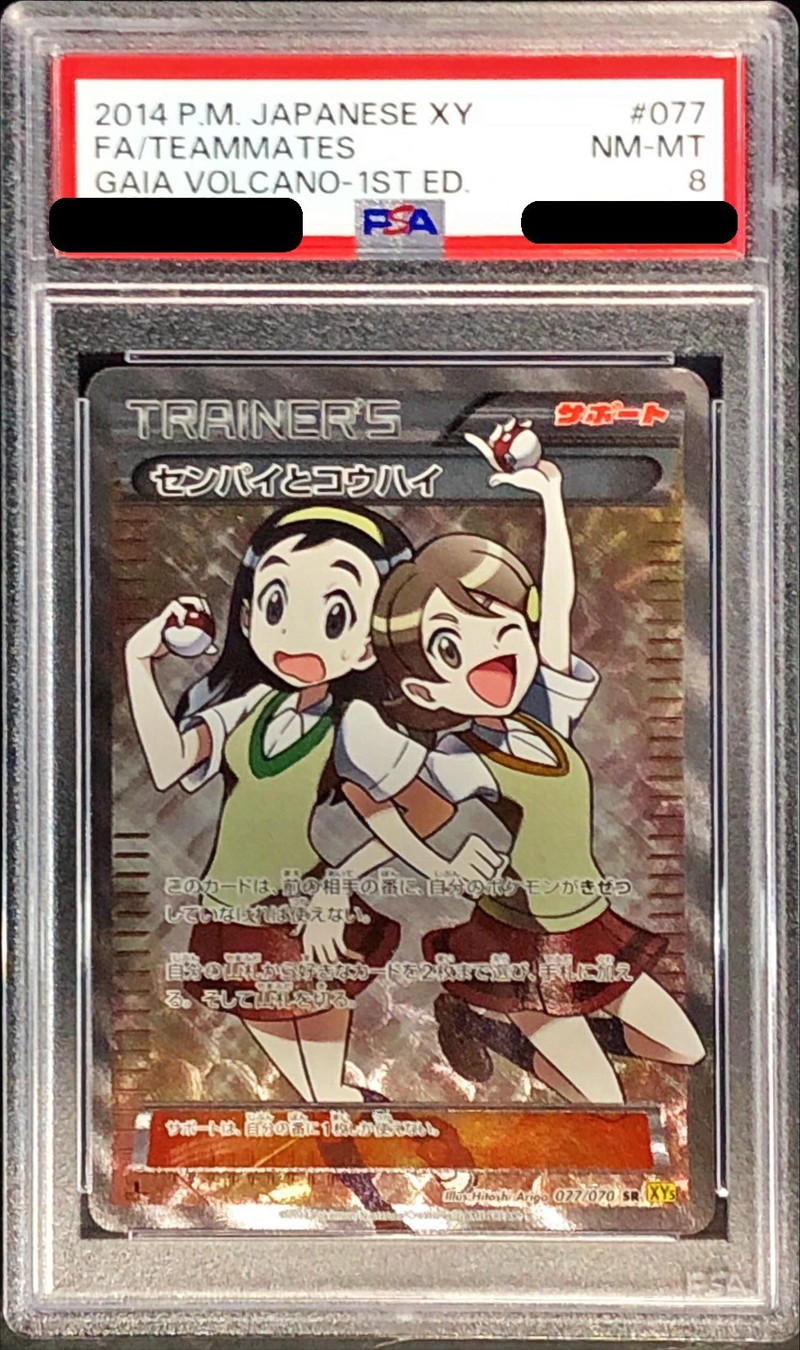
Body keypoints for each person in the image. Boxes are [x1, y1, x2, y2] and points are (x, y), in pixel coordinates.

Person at [341, 424, 704, 1104]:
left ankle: (485, 1027)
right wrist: (414, 868)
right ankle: (493, 1023)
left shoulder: (546, 713)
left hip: (586, 919)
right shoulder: (464, 757)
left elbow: (556, 606)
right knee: (602, 1101)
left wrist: (551, 497)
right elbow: (388, 811)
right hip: (521, 936)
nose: (493, 652)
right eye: (453, 648)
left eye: (503, 628)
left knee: (683, 1048)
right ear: (425, 691)